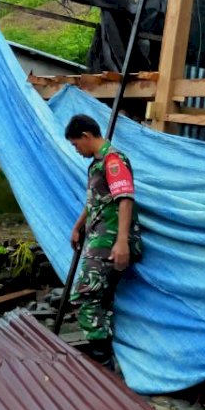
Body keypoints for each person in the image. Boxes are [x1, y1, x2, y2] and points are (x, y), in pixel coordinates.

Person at [65, 114, 142, 369]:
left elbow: (125, 199)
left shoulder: (113, 160)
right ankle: (108, 366)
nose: (76, 150)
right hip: (99, 240)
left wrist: (121, 242)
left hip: (108, 243)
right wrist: (78, 226)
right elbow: (96, 201)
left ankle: (103, 363)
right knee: (101, 301)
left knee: (84, 297)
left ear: (86, 136)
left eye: (76, 144)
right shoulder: (98, 164)